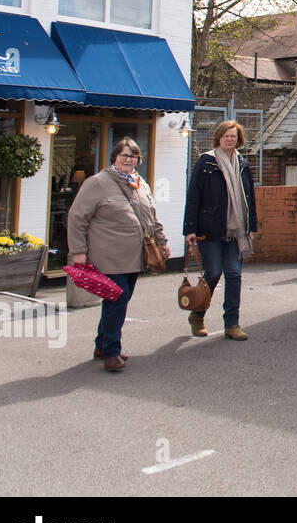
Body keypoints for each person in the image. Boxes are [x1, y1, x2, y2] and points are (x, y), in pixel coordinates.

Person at [67, 138, 169, 372]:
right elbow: (76, 217)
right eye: (123, 155)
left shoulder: (140, 183)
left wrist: (161, 241)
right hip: (108, 255)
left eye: (132, 156)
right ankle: (111, 352)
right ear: (114, 157)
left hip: (134, 256)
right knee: (118, 298)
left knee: (118, 299)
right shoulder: (98, 183)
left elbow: (151, 217)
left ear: (138, 160)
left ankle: (102, 345)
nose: (127, 160)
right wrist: (78, 252)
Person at [183, 120, 258, 341]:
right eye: (226, 135)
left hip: (237, 232)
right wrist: (190, 229)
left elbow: (250, 198)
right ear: (219, 137)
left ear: (238, 139)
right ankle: (197, 315)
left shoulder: (243, 163)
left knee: (234, 275)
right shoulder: (207, 161)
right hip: (211, 230)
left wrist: (251, 226)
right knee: (213, 274)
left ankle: (232, 323)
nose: (229, 139)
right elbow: (194, 196)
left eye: (233, 136)